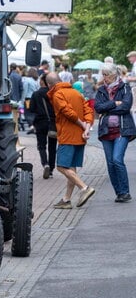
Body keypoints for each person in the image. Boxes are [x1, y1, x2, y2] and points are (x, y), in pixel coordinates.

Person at [46, 72, 96, 209]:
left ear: (49, 85)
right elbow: (88, 111)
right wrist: (86, 128)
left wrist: (81, 125)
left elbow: (68, 112)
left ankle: (84, 188)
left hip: (67, 135)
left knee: (61, 166)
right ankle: (66, 199)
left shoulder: (58, 94)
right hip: (80, 136)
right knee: (71, 167)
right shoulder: (76, 92)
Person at [94, 63, 135, 203]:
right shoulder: (101, 90)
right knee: (110, 163)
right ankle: (119, 193)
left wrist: (109, 108)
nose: (104, 78)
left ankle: (125, 191)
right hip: (105, 131)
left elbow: (125, 106)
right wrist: (114, 103)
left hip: (122, 130)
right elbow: (98, 108)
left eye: (106, 75)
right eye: (103, 75)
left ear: (113, 75)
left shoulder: (125, 88)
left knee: (117, 159)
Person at [29, 73, 57, 179]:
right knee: (52, 146)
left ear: (42, 81)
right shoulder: (54, 93)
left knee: (41, 146)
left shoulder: (36, 94)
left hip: (40, 122)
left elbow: (32, 108)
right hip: (53, 123)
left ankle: (45, 164)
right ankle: (51, 169)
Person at [22, 67, 39, 133]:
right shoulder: (36, 81)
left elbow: (25, 90)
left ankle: (31, 126)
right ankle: (34, 126)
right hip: (35, 99)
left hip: (28, 98)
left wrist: (22, 99)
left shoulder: (27, 80)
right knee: (33, 113)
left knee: (27, 113)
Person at [9, 63, 24, 130]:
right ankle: (20, 122)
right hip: (17, 97)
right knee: (18, 110)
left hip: (10, 97)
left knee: (11, 112)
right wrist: (20, 97)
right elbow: (21, 88)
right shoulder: (18, 76)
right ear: (16, 68)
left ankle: (14, 124)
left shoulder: (8, 76)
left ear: (10, 68)